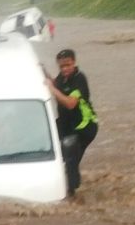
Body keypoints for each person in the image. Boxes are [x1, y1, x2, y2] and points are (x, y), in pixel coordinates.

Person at [41, 48, 99, 195]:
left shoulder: (79, 79)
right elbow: (55, 83)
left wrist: (51, 89)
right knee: (47, 137)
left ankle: (71, 193)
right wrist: (43, 72)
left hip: (84, 127)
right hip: (66, 124)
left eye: (68, 65)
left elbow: (70, 103)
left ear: (74, 62)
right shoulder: (62, 77)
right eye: (61, 66)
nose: (65, 69)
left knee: (71, 159)